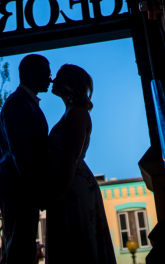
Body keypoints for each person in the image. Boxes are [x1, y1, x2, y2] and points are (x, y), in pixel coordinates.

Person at [45, 64, 116, 263]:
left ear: (69, 84)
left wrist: (60, 193)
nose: (53, 80)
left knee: (76, 241)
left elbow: (72, 157)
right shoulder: (71, 112)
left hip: (71, 186)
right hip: (69, 185)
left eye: (58, 77)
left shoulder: (76, 113)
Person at [0, 54, 52, 264]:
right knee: (19, 251)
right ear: (32, 75)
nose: (50, 79)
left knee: (22, 249)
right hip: (17, 190)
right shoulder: (17, 104)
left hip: (19, 189)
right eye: (46, 74)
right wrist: (38, 189)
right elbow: (21, 152)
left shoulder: (24, 103)